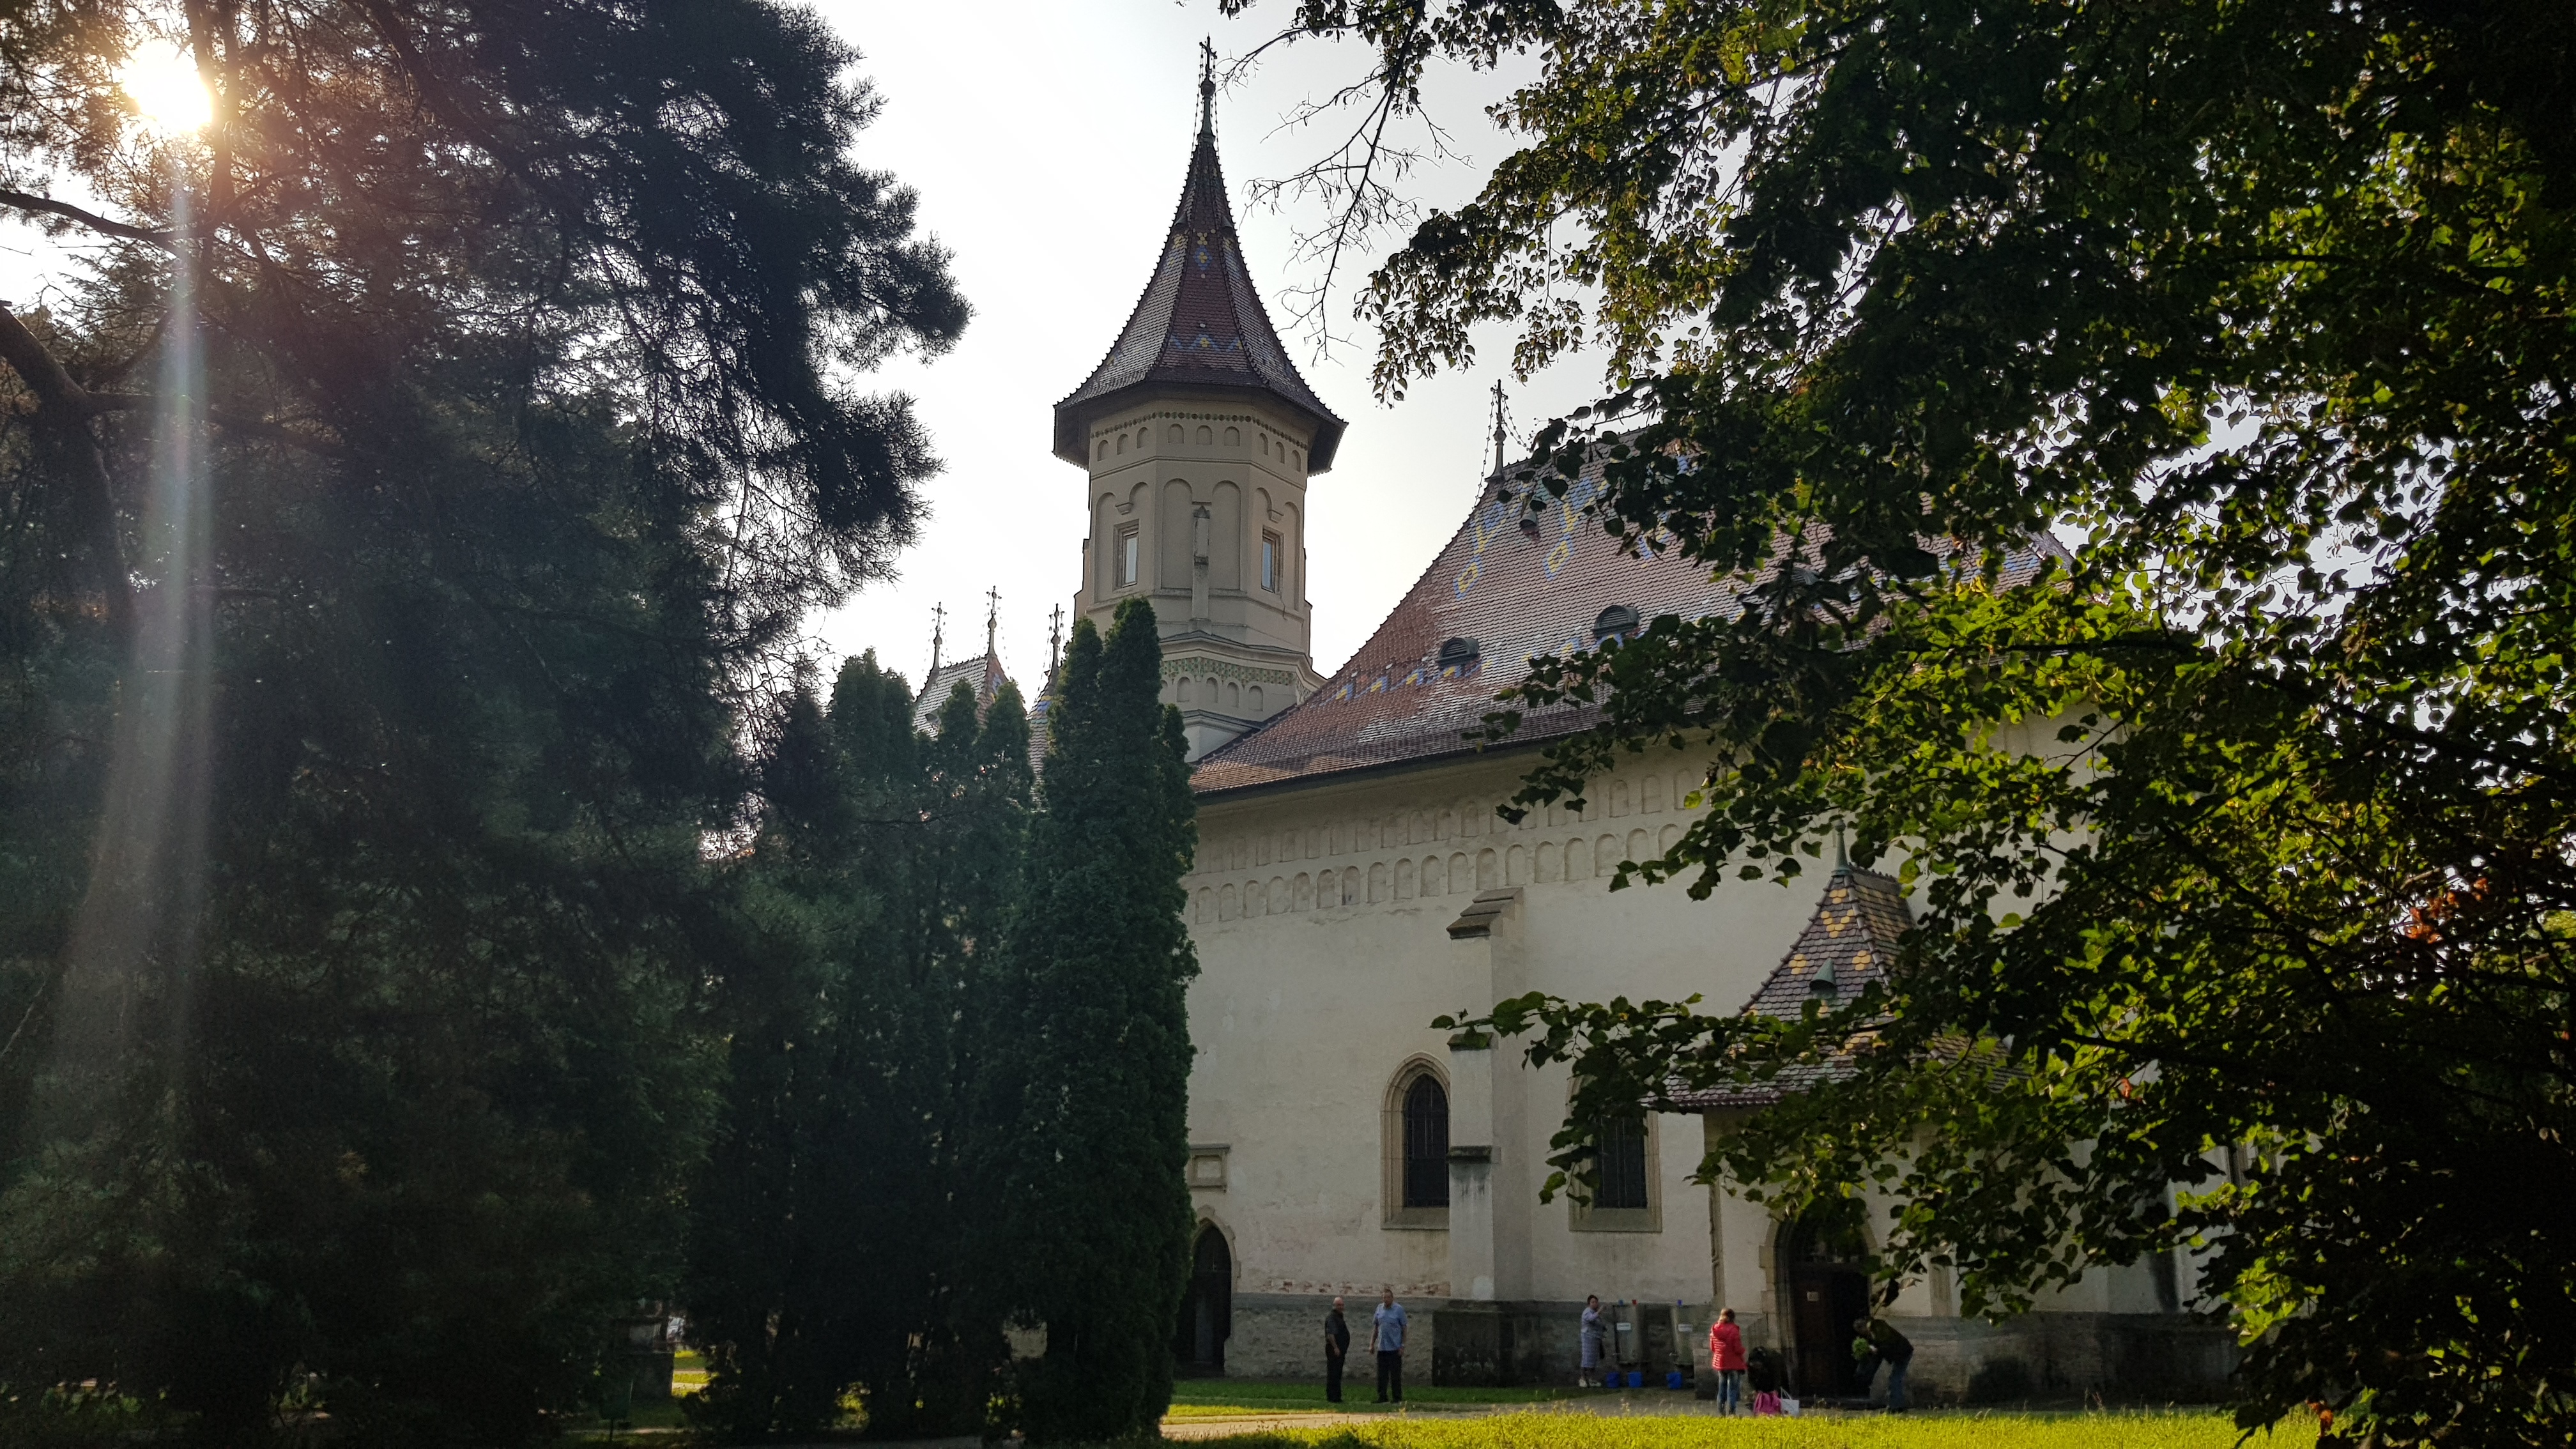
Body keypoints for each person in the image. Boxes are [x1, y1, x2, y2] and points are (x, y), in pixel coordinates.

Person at [1853, 1315, 1914, 1411]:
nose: (1862, 1334)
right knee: (1895, 1379)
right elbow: (1878, 1354)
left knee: (1895, 1380)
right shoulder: (1873, 1333)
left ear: (1864, 1327)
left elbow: (1887, 1345)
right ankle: (1896, 1406)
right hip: (1900, 1353)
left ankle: (1896, 1407)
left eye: (1861, 1332)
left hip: (1903, 1353)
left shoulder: (1878, 1329)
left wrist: (1876, 1350)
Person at [1707, 1307, 1747, 1413]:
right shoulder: (1734, 1330)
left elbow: (1712, 1348)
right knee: (1732, 1389)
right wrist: (1743, 1350)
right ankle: (1732, 1412)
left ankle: (1721, 1411)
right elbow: (1737, 1349)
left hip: (1720, 1363)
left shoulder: (1714, 1329)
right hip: (1733, 1364)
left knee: (1722, 1388)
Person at [1372, 1287, 1407, 1404]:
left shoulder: (1398, 1310)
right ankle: (1382, 1396)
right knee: (1382, 1375)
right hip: (1382, 1347)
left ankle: (1397, 1397)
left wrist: (1402, 1345)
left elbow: (1404, 1328)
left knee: (1395, 1375)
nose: (1386, 1300)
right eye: (1384, 1298)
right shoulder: (1379, 1309)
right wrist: (1372, 1344)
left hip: (1395, 1348)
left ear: (1392, 1298)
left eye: (1388, 1297)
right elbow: (1376, 1328)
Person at [1324, 1296, 1351, 1403]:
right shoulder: (1332, 1317)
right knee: (1334, 1373)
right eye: (1339, 1305)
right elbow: (1331, 1334)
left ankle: (1336, 1396)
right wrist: (1336, 1348)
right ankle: (1333, 1397)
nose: (1341, 1307)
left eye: (1342, 1305)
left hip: (1339, 1350)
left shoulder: (1339, 1317)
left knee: (1337, 1373)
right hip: (1334, 1350)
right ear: (1334, 1306)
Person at [1579, 1294, 1606, 1387]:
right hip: (1588, 1339)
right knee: (1586, 1358)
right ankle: (1582, 1379)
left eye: (1596, 1302)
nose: (1595, 1304)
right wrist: (1599, 1312)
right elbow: (1591, 1319)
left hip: (1595, 1339)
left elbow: (1599, 1324)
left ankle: (1591, 1379)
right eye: (1593, 1302)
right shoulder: (1588, 1312)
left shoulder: (1595, 1313)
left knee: (1593, 1360)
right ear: (1589, 1304)